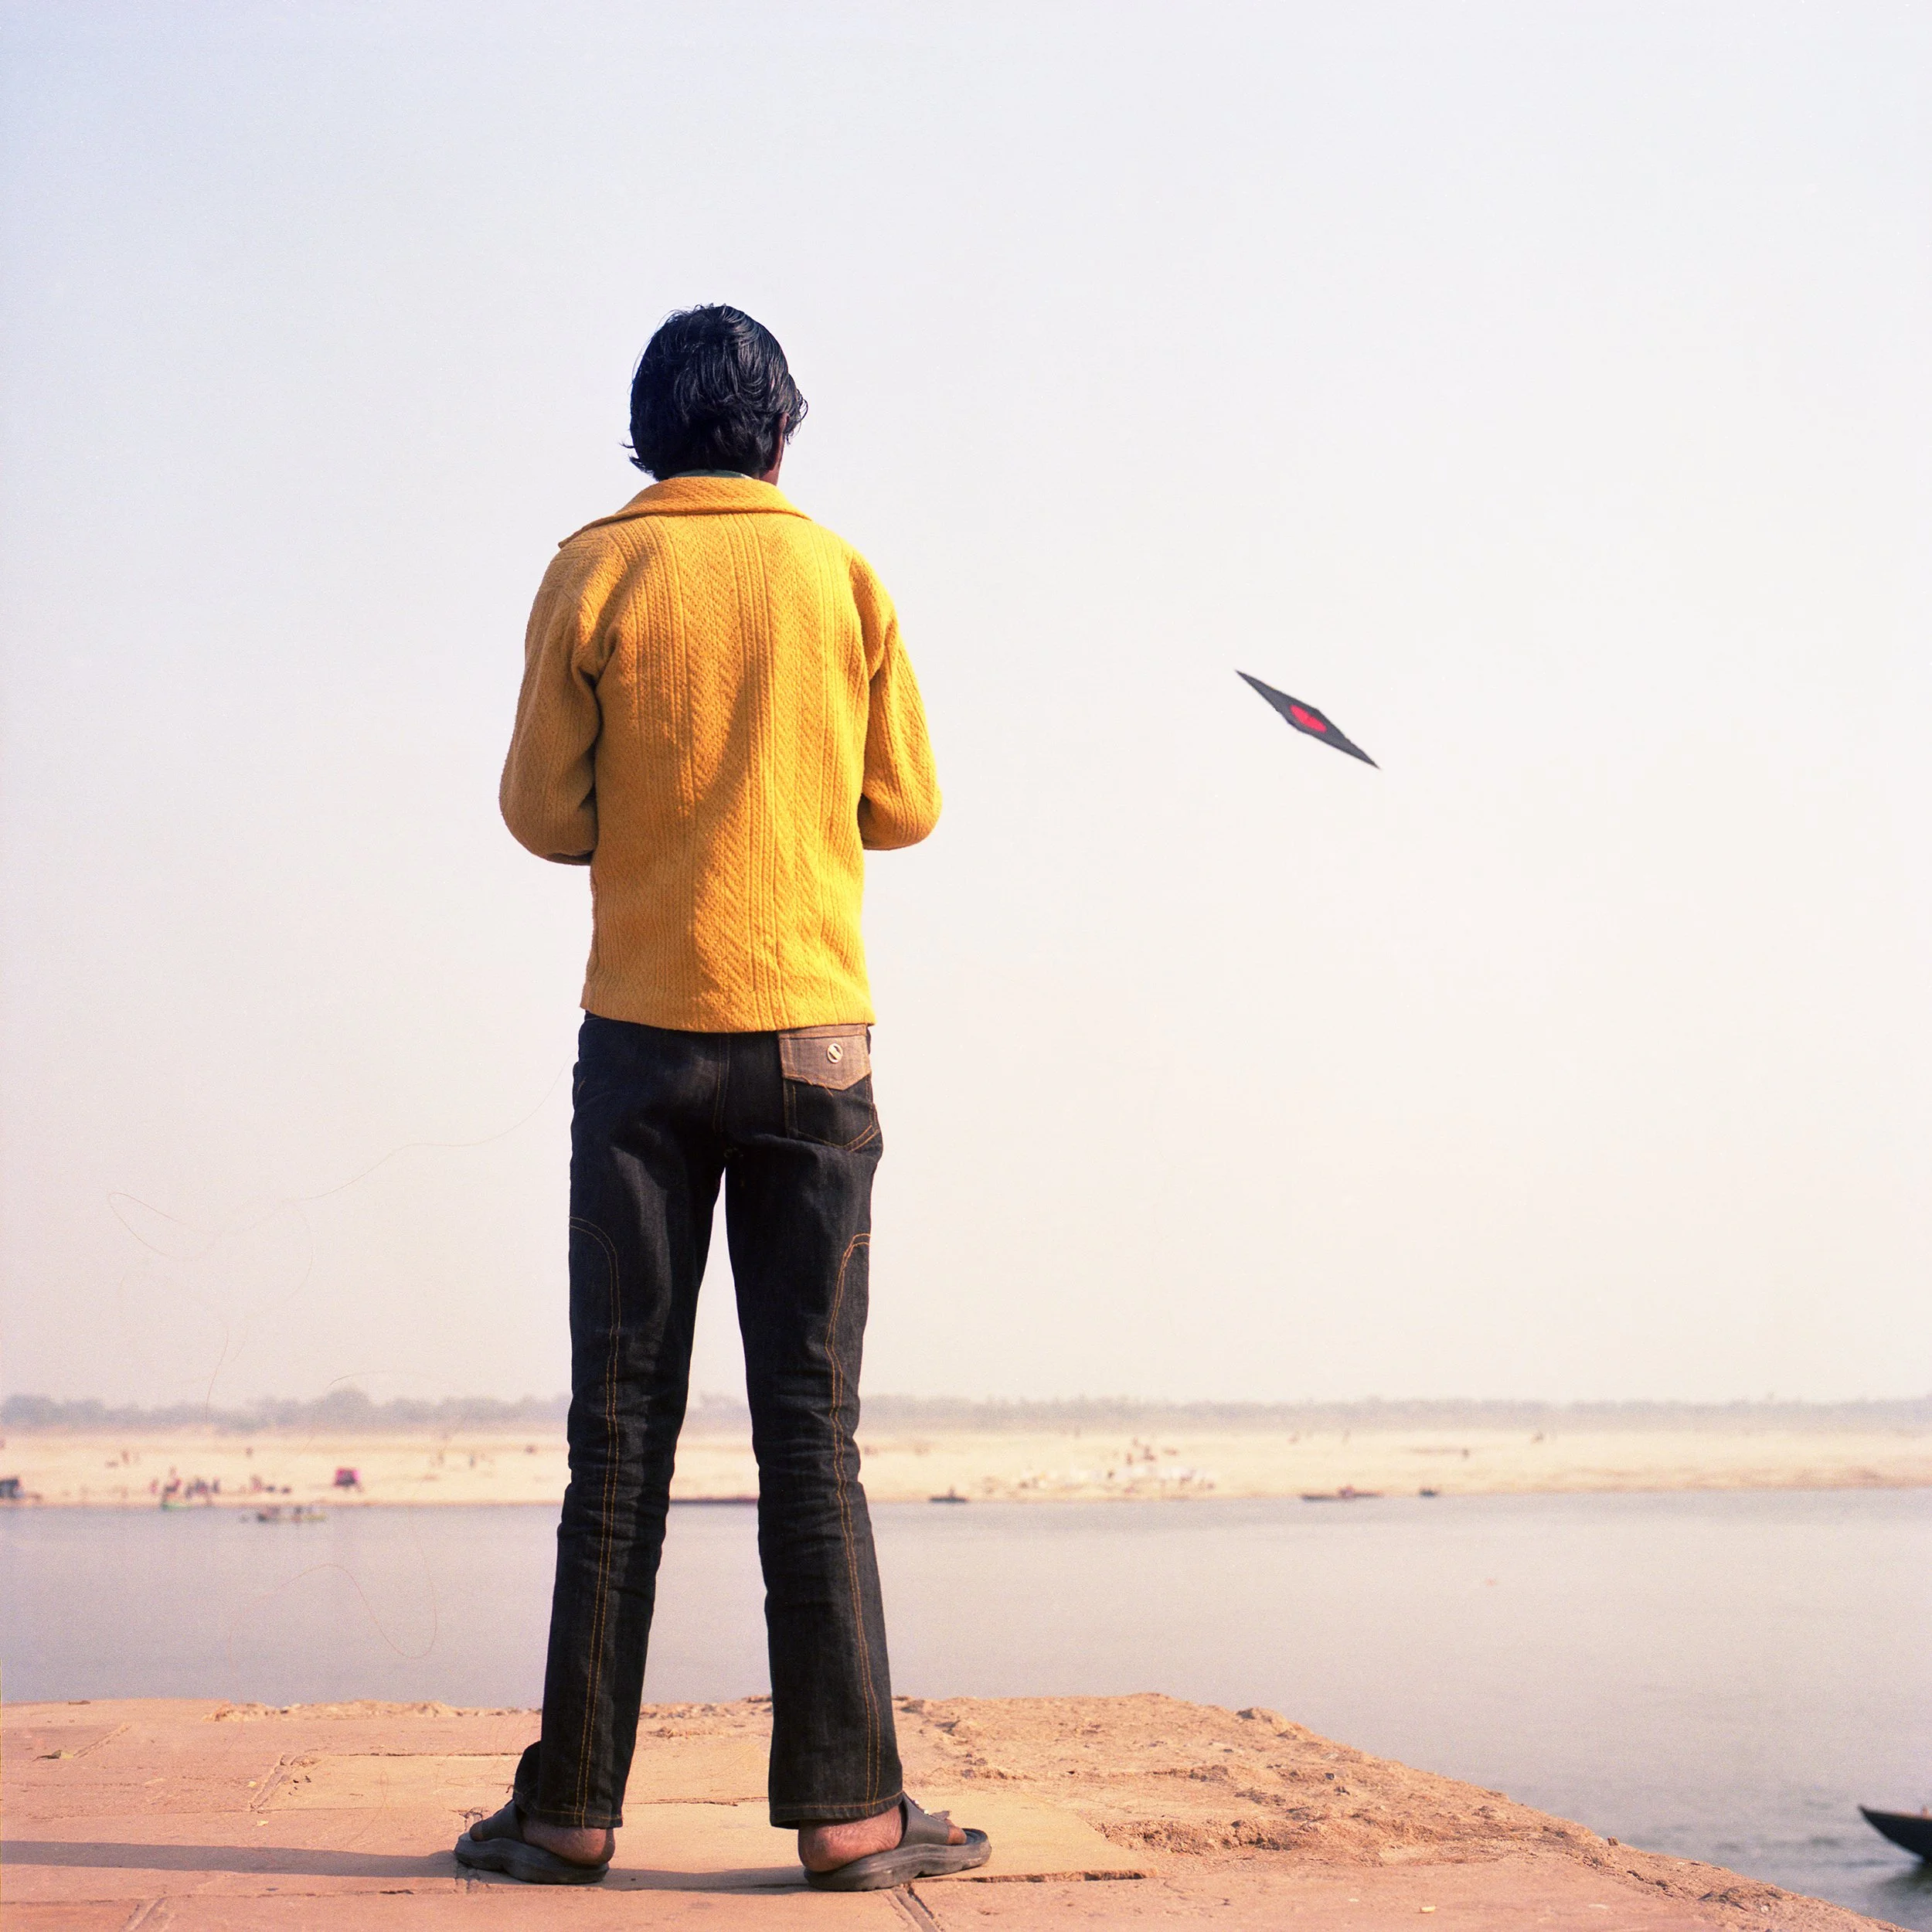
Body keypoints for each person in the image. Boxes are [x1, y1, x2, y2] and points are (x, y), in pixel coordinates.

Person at [452, 307, 988, 1893]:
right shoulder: (840, 575)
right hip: (814, 1042)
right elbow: (909, 805)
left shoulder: (595, 567)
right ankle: (846, 1813)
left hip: (641, 1038)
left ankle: (571, 1808)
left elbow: (540, 813)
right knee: (808, 1429)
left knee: (615, 1432)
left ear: (646, 436)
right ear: (777, 435)